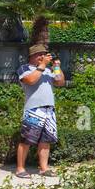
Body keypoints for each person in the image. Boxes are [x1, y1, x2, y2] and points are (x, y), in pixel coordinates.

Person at [16, 44, 65, 178]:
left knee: (46, 140)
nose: (42, 56)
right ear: (31, 56)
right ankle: (20, 169)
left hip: (49, 109)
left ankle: (44, 168)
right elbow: (30, 80)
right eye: (39, 54)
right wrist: (42, 65)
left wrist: (56, 66)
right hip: (34, 109)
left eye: (44, 54)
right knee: (26, 140)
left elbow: (60, 82)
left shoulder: (48, 70)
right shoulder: (25, 68)